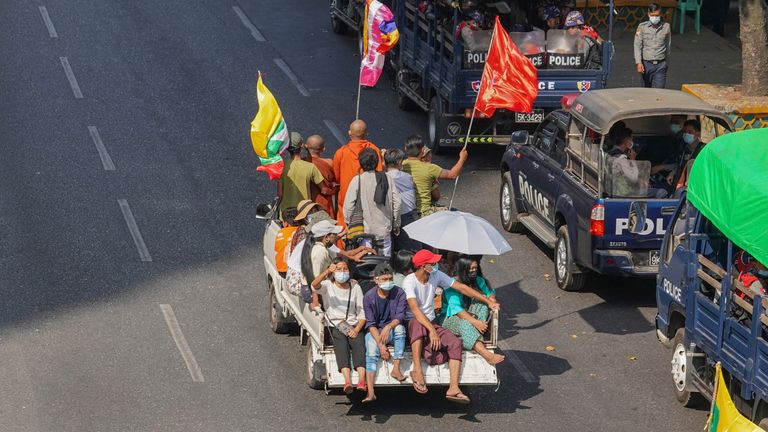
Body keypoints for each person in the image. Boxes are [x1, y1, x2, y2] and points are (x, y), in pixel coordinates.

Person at [403, 249, 500, 403]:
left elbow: (461, 288)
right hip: (414, 321)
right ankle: (417, 369)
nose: (436, 265)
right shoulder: (409, 281)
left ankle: (453, 388)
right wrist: (432, 332)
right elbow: (415, 310)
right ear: (423, 266)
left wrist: (487, 301)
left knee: (455, 343)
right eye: (432, 263)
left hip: (431, 322)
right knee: (417, 324)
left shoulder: (435, 275)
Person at [310, 257, 367, 394]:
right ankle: (347, 380)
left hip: (353, 324)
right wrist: (326, 272)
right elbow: (314, 285)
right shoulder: (327, 286)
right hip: (335, 325)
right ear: (333, 272)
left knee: (359, 345)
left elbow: (361, 312)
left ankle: (361, 380)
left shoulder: (356, 287)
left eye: (345, 269)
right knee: (341, 345)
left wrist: (357, 329)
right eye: (339, 269)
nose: (342, 272)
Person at [441, 257, 505, 365]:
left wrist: (492, 300)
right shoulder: (451, 285)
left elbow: (490, 293)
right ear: (462, 270)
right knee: (465, 323)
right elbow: (457, 310)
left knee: (483, 302)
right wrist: (475, 323)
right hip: (451, 319)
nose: (473, 271)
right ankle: (487, 355)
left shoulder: (478, 281)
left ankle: (475, 331)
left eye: (475, 268)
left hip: (473, 317)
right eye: (470, 269)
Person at [361, 263, 408, 403]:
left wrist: (388, 327)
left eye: (390, 279)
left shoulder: (399, 293)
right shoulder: (369, 297)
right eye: (384, 279)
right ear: (376, 280)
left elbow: (399, 317)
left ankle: (396, 368)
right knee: (371, 352)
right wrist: (381, 345)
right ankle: (370, 392)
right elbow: (370, 324)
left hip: (392, 329)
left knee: (400, 329)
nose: (388, 282)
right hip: (375, 332)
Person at [343, 148, 401, 257]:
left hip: (364, 233)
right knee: (384, 264)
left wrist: (349, 223)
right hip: (384, 231)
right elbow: (397, 202)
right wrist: (396, 224)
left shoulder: (357, 180)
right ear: (377, 162)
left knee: (367, 263)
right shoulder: (387, 178)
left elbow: (348, 207)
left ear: (360, 163)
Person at [299, 220, 371, 302]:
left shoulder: (323, 247)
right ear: (326, 237)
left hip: (314, 286)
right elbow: (315, 281)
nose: (337, 235)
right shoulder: (320, 252)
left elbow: (340, 254)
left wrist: (356, 254)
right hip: (312, 291)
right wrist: (316, 302)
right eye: (334, 234)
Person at [402, 134, 467, 215]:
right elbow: (452, 175)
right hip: (424, 212)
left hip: (406, 211)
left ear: (405, 148)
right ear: (422, 150)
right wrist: (462, 158)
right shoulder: (429, 168)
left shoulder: (401, 165)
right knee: (456, 213)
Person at [333, 119, 383, 225]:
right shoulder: (374, 150)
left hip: (346, 197)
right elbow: (379, 174)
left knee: (345, 227)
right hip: (369, 198)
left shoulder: (341, 152)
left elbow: (336, 177)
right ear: (366, 133)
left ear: (349, 132)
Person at [278, 132, 326, 217]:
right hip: (304, 213)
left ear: (287, 148)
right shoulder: (310, 167)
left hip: (286, 214)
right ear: (302, 147)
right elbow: (324, 190)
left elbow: (280, 193)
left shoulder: (281, 167)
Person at [385, 148, 420, 251]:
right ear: (399, 162)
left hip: (389, 217)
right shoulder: (407, 177)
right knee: (411, 250)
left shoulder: (383, 178)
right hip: (408, 217)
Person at [633, 3, 671, 88]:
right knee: (646, 91)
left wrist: (666, 63)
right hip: (646, 65)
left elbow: (668, 45)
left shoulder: (666, 27)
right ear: (648, 14)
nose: (655, 17)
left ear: (660, 14)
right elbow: (637, 45)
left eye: (657, 15)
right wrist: (638, 62)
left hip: (661, 65)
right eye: (652, 15)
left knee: (659, 91)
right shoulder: (642, 27)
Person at [304, 135, 338, 218]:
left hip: (305, 205)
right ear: (323, 149)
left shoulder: (302, 163)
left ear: (305, 147)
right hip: (323, 204)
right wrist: (334, 190)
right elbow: (334, 181)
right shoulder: (329, 163)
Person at [671, 119, 704, 188]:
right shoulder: (683, 148)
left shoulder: (703, 150)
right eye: (685, 132)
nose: (686, 134)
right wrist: (673, 172)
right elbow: (679, 164)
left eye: (690, 132)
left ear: (698, 133)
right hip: (680, 184)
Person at [274, 207, 299, 277]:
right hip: (295, 271)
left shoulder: (280, 232)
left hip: (282, 271)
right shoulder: (302, 231)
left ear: (285, 223)